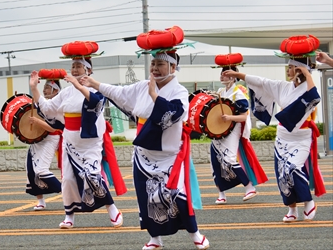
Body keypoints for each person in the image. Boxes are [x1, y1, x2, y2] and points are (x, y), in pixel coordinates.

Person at [81, 27, 209, 250]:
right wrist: (95, 84)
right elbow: (119, 93)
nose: (155, 68)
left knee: (177, 196)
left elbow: (174, 114)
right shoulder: (142, 86)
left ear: (173, 66)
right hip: (143, 154)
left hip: (169, 155)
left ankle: (195, 233)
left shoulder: (178, 91)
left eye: (160, 64)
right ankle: (155, 239)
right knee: (146, 198)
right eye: (153, 64)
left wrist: (154, 95)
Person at [223, 35, 326, 223]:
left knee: (293, 168)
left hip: (302, 137)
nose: (288, 70)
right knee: (282, 174)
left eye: (291, 67)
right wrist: (239, 76)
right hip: (282, 137)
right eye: (289, 66)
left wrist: (309, 73)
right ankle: (291, 209)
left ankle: (308, 202)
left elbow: (314, 97)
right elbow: (262, 82)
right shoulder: (283, 87)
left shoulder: (308, 88)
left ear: (300, 70)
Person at [29, 41, 125, 230]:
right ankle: (69, 216)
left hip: (90, 143)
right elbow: (48, 109)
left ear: (88, 70)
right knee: (68, 180)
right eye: (72, 66)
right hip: (70, 142)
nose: (74, 69)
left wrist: (79, 86)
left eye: (78, 65)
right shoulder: (65, 92)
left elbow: (96, 103)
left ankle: (112, 209)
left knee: (93, 176)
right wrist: (34, 89)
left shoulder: (95, 88)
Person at [209, 54, 268, 205]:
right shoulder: (221, 92)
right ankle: (221, 194)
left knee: (228, 159)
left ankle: (250, 187)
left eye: (226, 74)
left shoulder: (238, 94)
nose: (223, 76)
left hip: (232, 130)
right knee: (214, 161)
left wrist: (229, 118)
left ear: (233, 77)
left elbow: (243, 117)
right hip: (218, 130)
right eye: (222, 73)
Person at [25, 79, 63, 211]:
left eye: (48, 87)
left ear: (56, 90)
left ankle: (66, 192)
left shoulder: (59, 105)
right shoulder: (41, 102)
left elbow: (54, 128)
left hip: (51, 138)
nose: (45, 89)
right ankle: (40, 201)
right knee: (30, 170)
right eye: (45, 87)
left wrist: (37, 121)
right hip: (37, 138)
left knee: (41, 170)